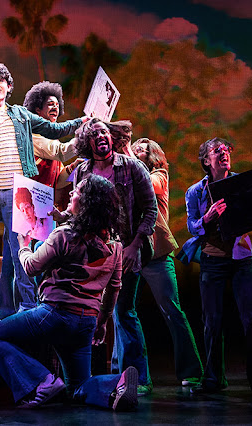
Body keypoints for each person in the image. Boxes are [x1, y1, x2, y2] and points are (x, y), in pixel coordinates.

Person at [0, 174, 138, 411]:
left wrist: (23, 246)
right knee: (77, 386)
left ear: (88, 203)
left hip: (55, 315)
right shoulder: (115, 247)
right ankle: (116, 384)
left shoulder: (64, 236)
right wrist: (102, 322)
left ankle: (42, 381)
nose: (71, 193)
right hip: (86, 322)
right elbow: (114, 288)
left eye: (78, 191)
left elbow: (31, 267)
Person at [0, 63, 85, 326]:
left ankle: (28, 309)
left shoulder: (22, 115)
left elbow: (54, 130)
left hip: (18, 193)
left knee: (21, 252)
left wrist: (81, 122)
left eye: (0, 80)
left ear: (9, 87)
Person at [59, 118, 157, 396]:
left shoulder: (131, 167)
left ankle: (139, 378)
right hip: (93, 255)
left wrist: (134, 246)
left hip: (125, 252)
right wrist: (61, 215)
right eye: (94, 134)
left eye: (104, 132)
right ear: (86, 142)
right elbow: (81, 209)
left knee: (123, 312)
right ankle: (103, 378)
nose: (101, 136)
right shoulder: (82, 170)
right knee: (96, 314)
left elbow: (150, 210)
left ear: (111, 137)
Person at [179, 137, 252, 396]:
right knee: (212, 321)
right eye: (217, 150)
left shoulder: (243, 183)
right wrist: (207, 217)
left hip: (242, 257)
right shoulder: (195, 191)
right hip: (213, 259)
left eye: (226, 149)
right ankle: (213, 379)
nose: (224, 153)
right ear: (206, 160)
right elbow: (192, 226)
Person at [0, 81, 81, 323]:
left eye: (57, 104)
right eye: (49, 104)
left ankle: (9, 311)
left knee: (22, 261)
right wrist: (84, 132)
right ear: (36, 110)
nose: (54, 108)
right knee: (18, 261)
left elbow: (58, 181)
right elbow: (61, 151)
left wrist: (74, 167)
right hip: (24, 207)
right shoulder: (32, 136)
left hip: (43, 210)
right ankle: (16, 313)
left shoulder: (49, 144)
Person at [130, 138, 204, 386]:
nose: (135, 151)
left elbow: (147, 185)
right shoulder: (125, 175)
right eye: (134, 147)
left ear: (153, 156)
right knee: (123, 314)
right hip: (131, 253)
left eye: (141, 149)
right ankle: (129, 375)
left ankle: (191, 372)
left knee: (172, 311)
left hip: (157, 255)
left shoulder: (159, 175)